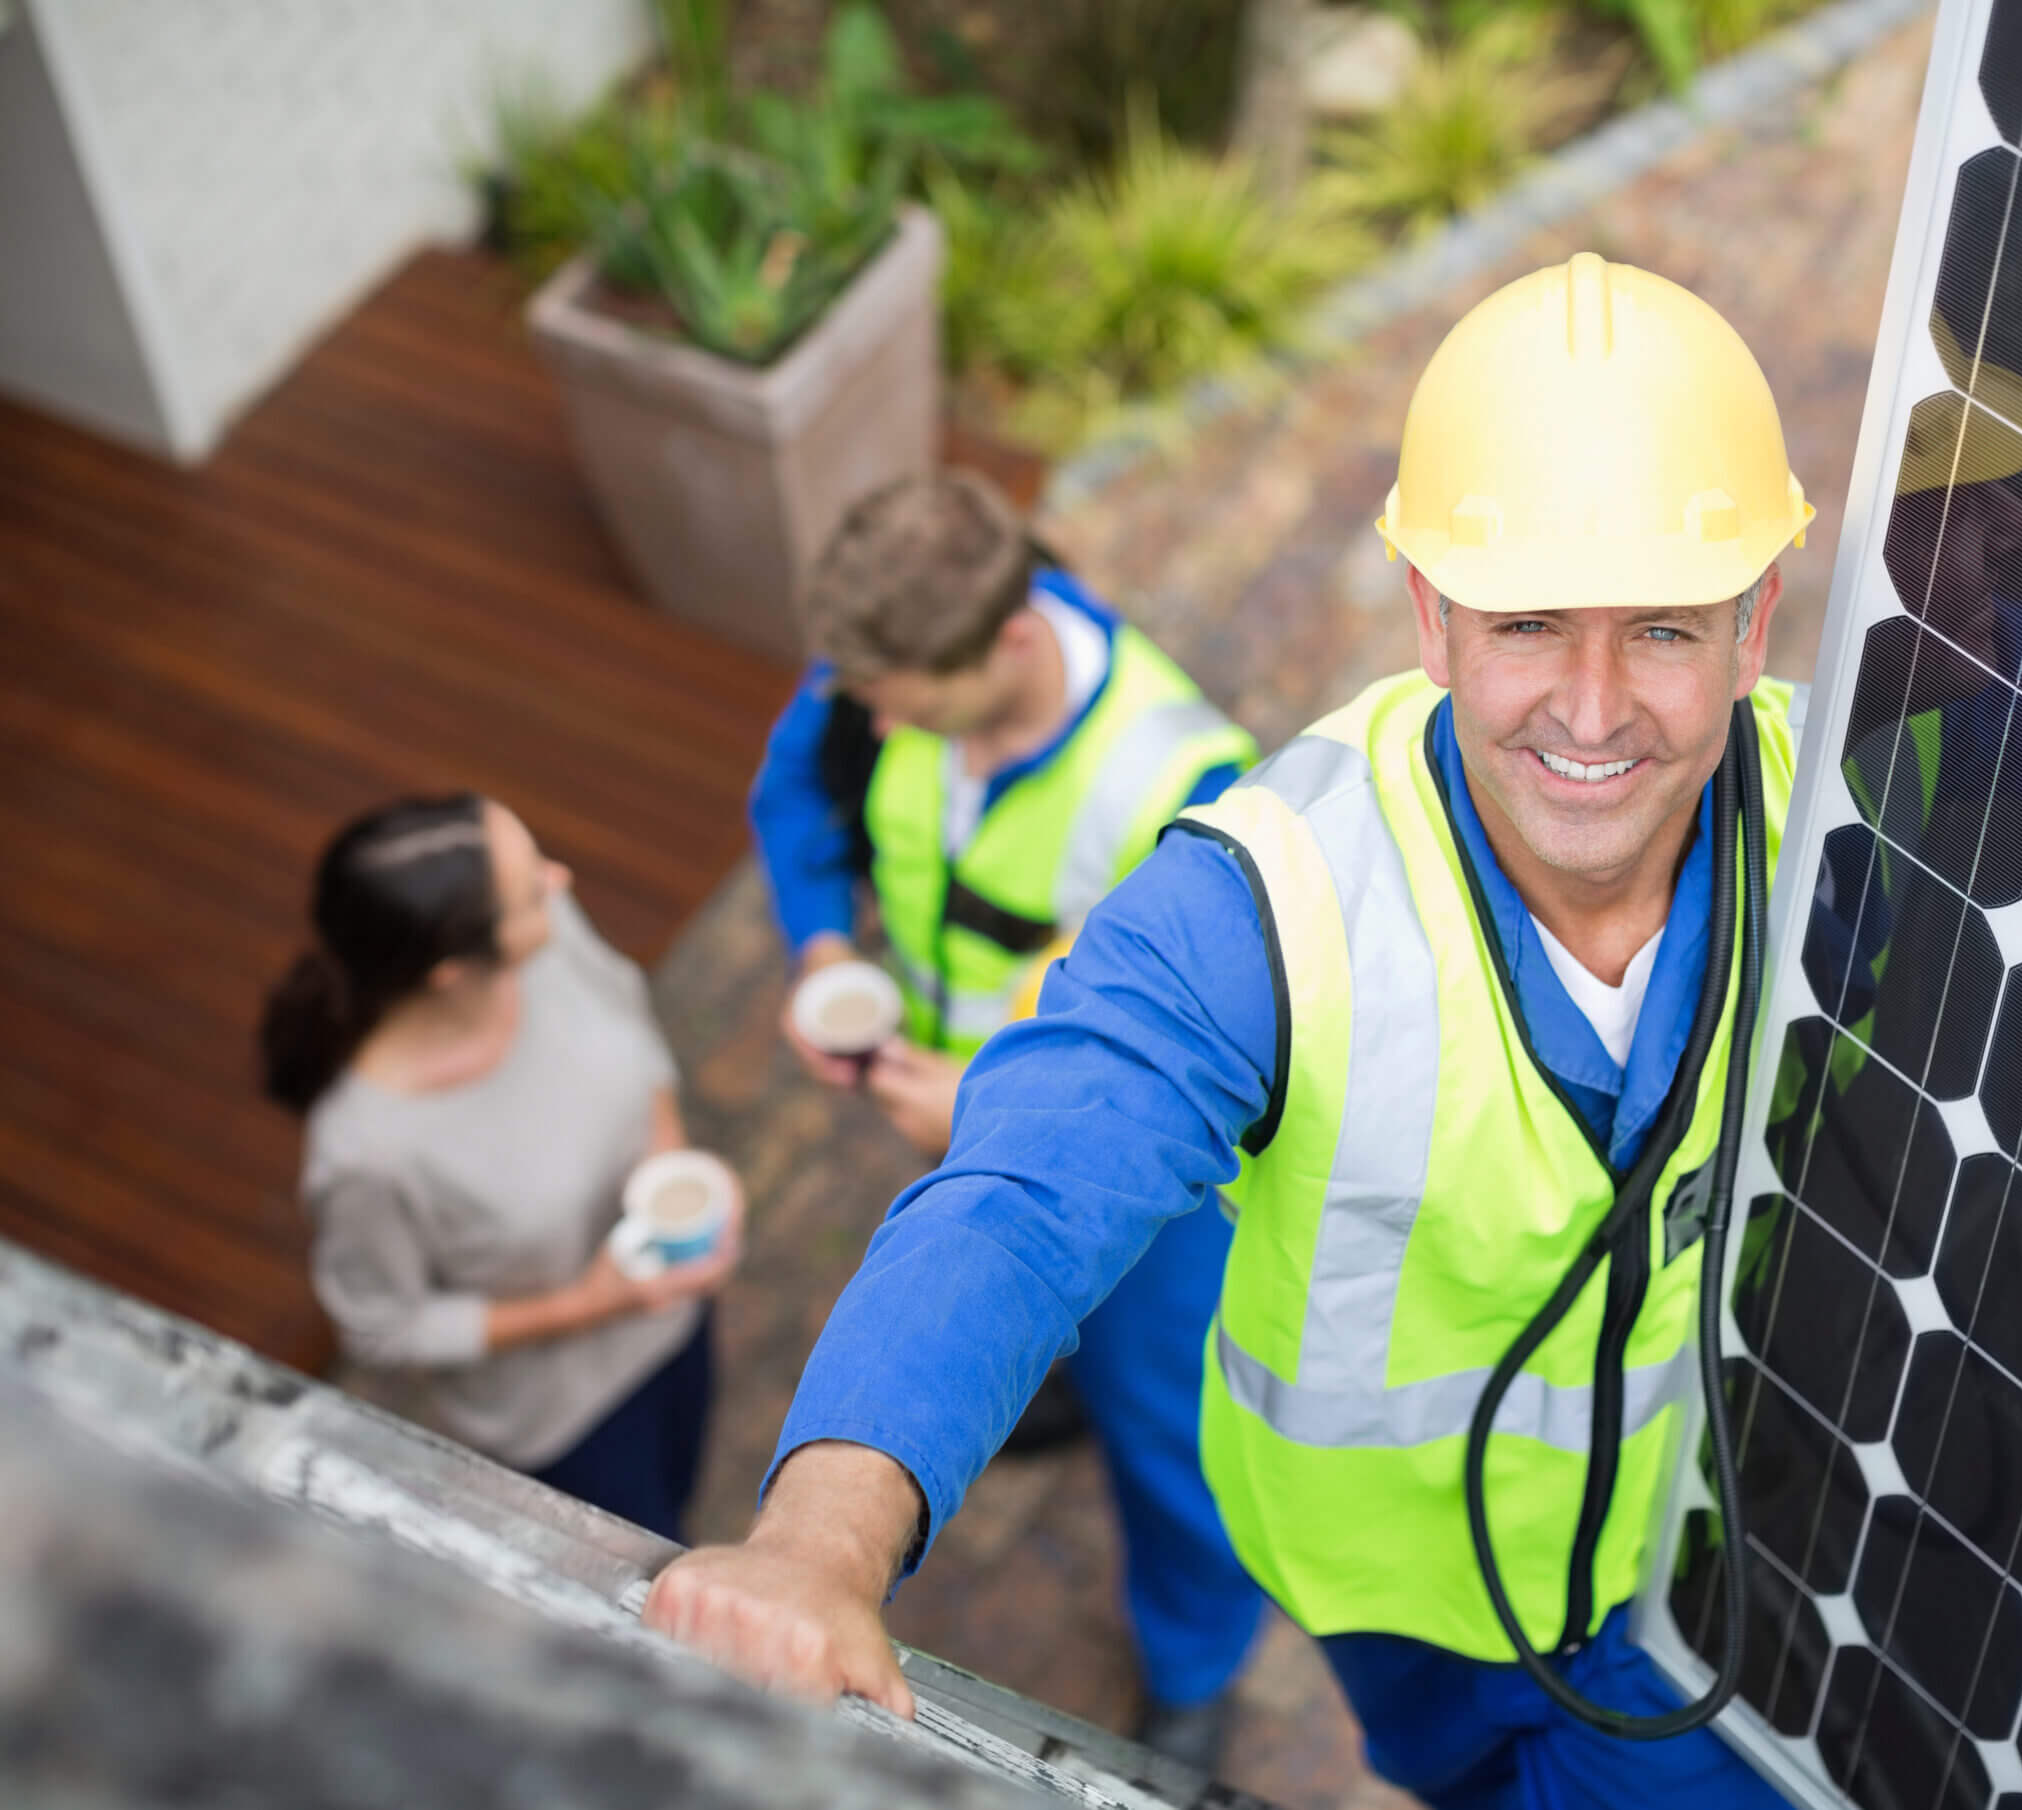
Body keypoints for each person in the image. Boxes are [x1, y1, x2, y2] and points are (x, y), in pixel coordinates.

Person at [650, 252, 1806, 1810]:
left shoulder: (1852, 818)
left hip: (1699, 1565)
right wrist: (816, 1541)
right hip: (1397, 1589)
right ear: (1432, 620)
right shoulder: (1264, 900)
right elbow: (1023, 1196)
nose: (1593, 711)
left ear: (1757, 622)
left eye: (1665, 629)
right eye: (1528, 622)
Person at [744, 470, 1267, 1763]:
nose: (872, 716)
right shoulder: (893, 658)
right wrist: (819, 947)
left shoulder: (1186, 783)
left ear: (1013, 639)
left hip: (1150, 1194)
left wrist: (982, 1112)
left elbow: (1203, 1055)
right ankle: (1054, 1376)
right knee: (1020, 1318)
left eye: (900, 702)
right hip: (959, 1104)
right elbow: (799, 794)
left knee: (1178, 1435)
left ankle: (1196, 1664)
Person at [260, 795, 739, 1543]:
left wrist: (673, 1167)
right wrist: (589, 1304)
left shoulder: (547, 935)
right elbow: (384, 1328)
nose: (559, 876)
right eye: (529, 889)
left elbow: (625, 1009)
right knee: (646, 1561)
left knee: (683, 1479)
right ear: (453, 971)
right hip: (562, 1421)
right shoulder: (366, 1153)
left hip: (672, 1317)